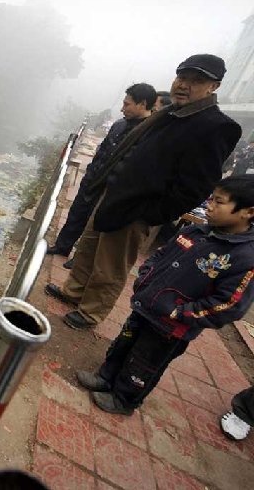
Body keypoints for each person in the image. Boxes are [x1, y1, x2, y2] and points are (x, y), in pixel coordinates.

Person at [46, 54, 242, 329]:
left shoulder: (215, 126)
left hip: (137, 209)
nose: (184, 85)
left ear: (214, 86)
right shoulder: (169, 113)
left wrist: (150, 214)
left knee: (110, 265)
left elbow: (197, 186)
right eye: (182, 78)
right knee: (89, 248)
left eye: (196, 81)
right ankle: (73, 291)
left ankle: (91, 312)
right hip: (113, 195)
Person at [76, 175, 254, 415]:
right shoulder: (195, 231)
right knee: (124, 344)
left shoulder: (244, 257)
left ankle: (124, 399)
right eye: (210, 199)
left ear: (247, 212)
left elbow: (228, 304)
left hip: (172, 327)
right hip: (146, 307)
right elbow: (161, 255)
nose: (209, 205)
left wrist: (179, 312)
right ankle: (106, 377)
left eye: (219, 202)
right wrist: (145, 276)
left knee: (144, 363)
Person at [47, 83, 157, 264]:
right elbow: (102, 151)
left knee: (94, 223)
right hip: (94, 178)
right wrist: (90, 174)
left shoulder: (147, 133)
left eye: (127, 104)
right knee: (77, 213)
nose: (122, 109)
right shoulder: (120, 124)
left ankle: (80, 259)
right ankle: (62, 246)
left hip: (111, 188)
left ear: (142, 104)